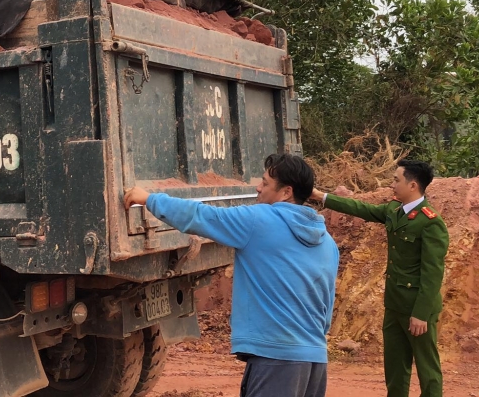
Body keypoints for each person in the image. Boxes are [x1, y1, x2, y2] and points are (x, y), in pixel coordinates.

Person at [124, 154, 339, 397]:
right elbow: (326, 309)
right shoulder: (327, 242)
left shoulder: (258, 221)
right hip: (315, 361)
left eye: (265, 183)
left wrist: (150, 199)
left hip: (275, 359)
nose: (258, 188)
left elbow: (201, 216)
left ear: (286, 191)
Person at [310, 160, 449, 397]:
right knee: (395, 367)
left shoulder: (431, 221)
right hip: (394, 303)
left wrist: (421, 313)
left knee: (427, 368)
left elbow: (432, 274)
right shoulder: (395, 210)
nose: (392, 184)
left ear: (413, 185)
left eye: (396, 180)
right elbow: (359, 208)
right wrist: (320, 196)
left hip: (417, 307)